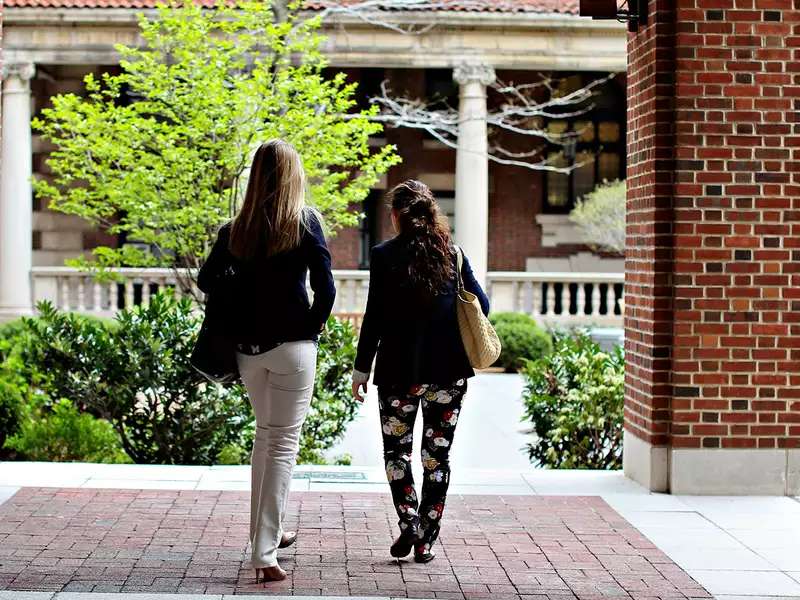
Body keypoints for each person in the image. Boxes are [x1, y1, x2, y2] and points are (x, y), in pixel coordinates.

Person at [198, 140, 335, 583]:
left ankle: (265, 532)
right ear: (294, 175)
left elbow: (206, 280)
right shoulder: (305, 222)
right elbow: (326, 289)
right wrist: (311, 330)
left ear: (256, 177)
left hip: (247, 352)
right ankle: (263, 549)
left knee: (266, 439)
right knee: (282, 444)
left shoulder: (234, 230)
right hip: (293, 347)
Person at [351, 179, 490, 563]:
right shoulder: (453, 254)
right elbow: (482, 306)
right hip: (449, 373)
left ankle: (409, 521)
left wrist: (361, 368)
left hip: (399, 373)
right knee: (436, 458)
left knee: (397, 453)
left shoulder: (383, 256)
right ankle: (427, 539)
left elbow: (373, 318)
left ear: (395, 215)